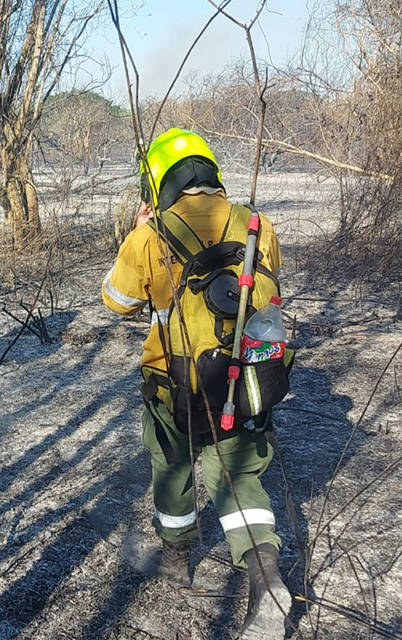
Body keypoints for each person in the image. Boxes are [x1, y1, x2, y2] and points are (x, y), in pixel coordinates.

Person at [102, 129, 291, 639]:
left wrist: (137, 232)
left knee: (172, 465)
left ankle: (174, 557)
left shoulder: (150, 235)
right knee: (240, 479)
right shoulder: (257, 224)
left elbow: (115, 301)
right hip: (240, 382)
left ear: (158, 180)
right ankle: (265, 577)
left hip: (174, 386)